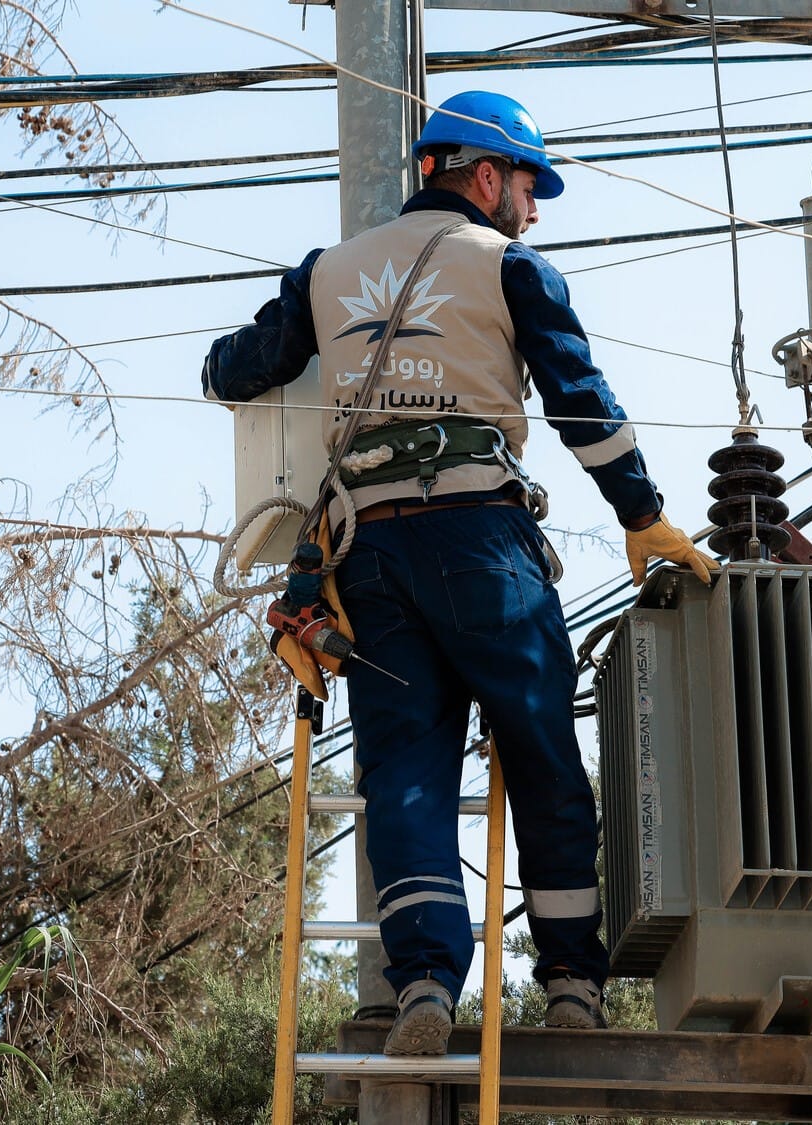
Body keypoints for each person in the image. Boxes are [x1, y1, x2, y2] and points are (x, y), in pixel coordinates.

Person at [203, 90, 714, 1055]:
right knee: (542, 754)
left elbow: (242, 367)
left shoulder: (326, 273)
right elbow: (583, 408)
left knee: (403, 775)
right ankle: (569, 982)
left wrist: (227, 365)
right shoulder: (511, 268)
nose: (535, 204)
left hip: (371, 554)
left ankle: (425, 988)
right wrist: (643, 517)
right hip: (483, 540)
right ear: (485, 176)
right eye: (529, 182)